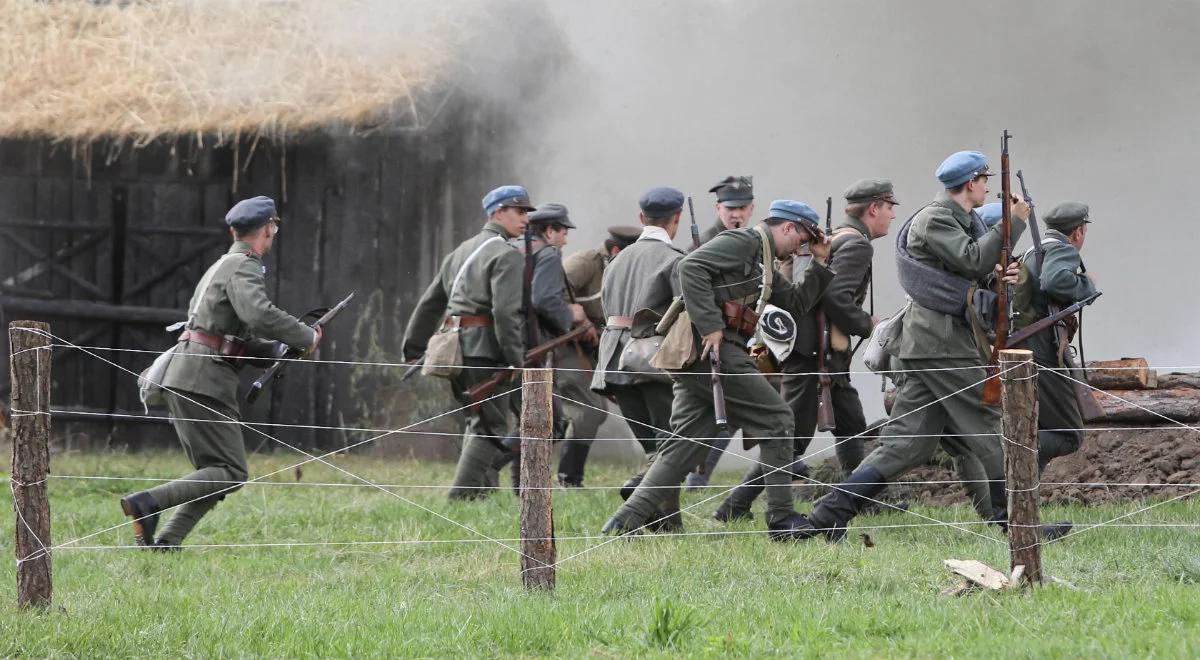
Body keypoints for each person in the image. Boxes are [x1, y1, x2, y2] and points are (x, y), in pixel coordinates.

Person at [793, 150, 1033, 541]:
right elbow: (971, 260)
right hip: (941, 345)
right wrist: (1014, 224)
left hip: (938, 343)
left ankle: (827, 515)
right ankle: (1018, 525)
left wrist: (999, 273)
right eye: (984, 179)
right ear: (970, 182)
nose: (988, 187)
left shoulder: (963, 219)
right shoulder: (936, 218)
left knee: (907, 446)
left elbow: (972, 270)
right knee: (988, 427)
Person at [603, 199, 833, 540]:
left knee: (684, 445)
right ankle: (782, 519)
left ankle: (623, 523)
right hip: (713, 347)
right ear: (788, 227)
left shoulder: (763, 261)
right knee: (779, 420)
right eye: (801, 239)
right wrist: (710, 324)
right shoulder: (744, 242)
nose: (801, 246)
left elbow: (797, 303)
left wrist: (820, 262)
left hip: (711, 351)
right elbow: (690, 267)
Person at [119, 196, 321, 549]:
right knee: (231, 472)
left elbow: (224, 335)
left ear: (233, 230)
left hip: (187, 373)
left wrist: (277, 350)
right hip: (203, 378)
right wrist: (306, 336)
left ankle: (168, 542)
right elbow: (259, 314)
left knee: (215, 473)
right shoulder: (245, 266)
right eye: (273, 228)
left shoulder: (223, 265)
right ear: (269, 228)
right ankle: (146, 503)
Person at [714, 179, 899, 521]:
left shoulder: (841, 238)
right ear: (874, 208)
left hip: (819, 352)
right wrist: (868, 324)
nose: (890, 215)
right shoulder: (857, 245)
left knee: (850, 422)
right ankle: (734, 505)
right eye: (889, 208)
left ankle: (866, 498)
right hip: (816, 354)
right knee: (792, 438)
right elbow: (834, 296)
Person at [402, 185, 535, 499]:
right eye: (519, 211)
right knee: (490, 428)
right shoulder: (506, 254)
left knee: (477, 422)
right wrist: (515, 358)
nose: (526, 219)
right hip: (486, 350)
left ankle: (480, 497)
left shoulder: (460, 251)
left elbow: (431, 302)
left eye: (527, 212)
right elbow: (505, 313)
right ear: (497, 213)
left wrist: (414, 347)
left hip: (456, 349)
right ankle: (460, 499)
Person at [590, 189, 688, 508]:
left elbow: (606, 310)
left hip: (613, 360)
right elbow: (684, 317)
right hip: (651, 360)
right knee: (667, 447)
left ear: (641, 218)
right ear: (676, 219)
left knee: (652, 448)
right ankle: (650, 514)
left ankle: (662, 519)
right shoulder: (675, 260)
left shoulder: (616, 261)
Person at [1011, 201, 1099, 472]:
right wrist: (1087, 285)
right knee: (1070, 435)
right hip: (1044, 350)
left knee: (1038, 424)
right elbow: (1054, 281)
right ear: (1078, 232)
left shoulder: (1030, 252)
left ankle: (1023, 501)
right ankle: (1010, 448)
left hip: (1028, 346)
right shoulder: (1063, 249)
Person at [556, 225, 641, 487]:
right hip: (562, 345)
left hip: (592, 347)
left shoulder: (620, 271)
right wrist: (578, 321)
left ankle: (568, 478)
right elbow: (547, 298)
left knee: (592, 412)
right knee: (589, 411)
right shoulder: (584, 263)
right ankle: (568, 480)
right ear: (616, 250)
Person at [685, 174, 755, 490]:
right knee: (723, 415)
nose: (735, 214)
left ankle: (693, 480)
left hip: (741, 339)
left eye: (741, 207)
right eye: (730, 208)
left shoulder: (750, 243)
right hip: (707, 342)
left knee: (728, 416)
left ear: (751, 208)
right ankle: (693, 480)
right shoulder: (700, 247)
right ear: (718, 208)